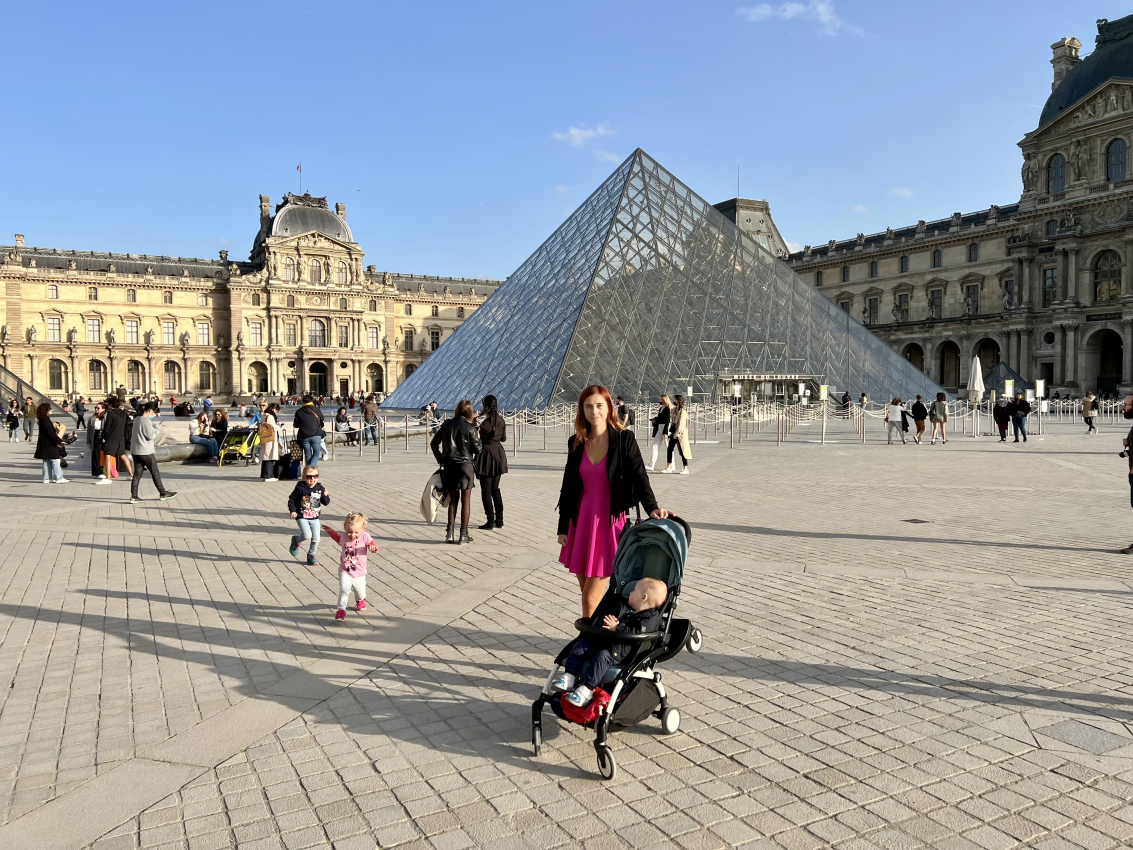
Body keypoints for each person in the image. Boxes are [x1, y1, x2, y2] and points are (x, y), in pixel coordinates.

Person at [557, 384, 669, 618]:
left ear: (609, 407)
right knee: (587, 594)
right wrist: (562, 527)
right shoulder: (576, 442)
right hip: (580, 522)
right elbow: (567, 487)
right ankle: (597, 637)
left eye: (599, 405)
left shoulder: (624, 440)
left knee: (590, 597)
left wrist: (652, 507)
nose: (594, 411)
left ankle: (587, 645)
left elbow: (640, 476)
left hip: (608, 524)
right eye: (588, 406)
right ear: (582, 410)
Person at [552, 577, 667, 708]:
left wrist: (616, 628)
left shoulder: (649, 618)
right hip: (603, 641)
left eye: (634, 591)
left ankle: (587, 690)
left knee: (602, 657)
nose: (630, 592)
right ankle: (569, 676)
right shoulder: (624, 607)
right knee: (581, 645)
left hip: (619, 652)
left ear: (643, 597)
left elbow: (636, 634)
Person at [430, 399, 482, 544]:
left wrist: (440, 459)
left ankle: (450, 534)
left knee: (453, 499)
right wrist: (476, 430)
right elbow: (478, 449)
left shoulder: (446, 425)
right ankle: (463, 534)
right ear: (469, 412)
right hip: (466, 466)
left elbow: (434, 443)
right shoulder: (470, 428)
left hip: (449, 466)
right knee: (466, 501)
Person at [322, 512, 379, 621]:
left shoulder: (365, 537)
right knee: (344, 590)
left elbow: (374, 544)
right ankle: (341, 610)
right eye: (349, 532)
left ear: (363, 528)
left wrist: (373, 547)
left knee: (360, 592)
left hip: (359, 572)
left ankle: (360, 601)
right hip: (345, 570)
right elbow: (337, 538)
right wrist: (330, 531)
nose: (352, 535)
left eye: (356, 532)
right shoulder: (343, 536)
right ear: (345, 528)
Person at [129, 403, 176, 503]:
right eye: (153, 411)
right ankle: (163, 493)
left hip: (136, 451)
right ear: (150, 410)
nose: (153, 414)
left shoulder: (137, 419)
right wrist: (157, 427)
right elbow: (151, 436)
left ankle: (134, 495)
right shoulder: (146, 420)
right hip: (145, 451)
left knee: (137, 474)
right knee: (155, 472)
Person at [474, 394, 507, 530]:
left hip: (486, 457)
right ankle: (500, 519)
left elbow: (477, 442)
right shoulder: (501, 420)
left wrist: (474, 422)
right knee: (495, 490)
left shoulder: (484, 424)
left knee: (486, 492)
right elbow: (503, 439)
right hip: (498, 455)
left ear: (485, 407)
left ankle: (490, 520)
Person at [288, 466, 329, 565]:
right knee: (307, 535)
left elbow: (326, 503)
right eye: (309, 477)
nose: (312, 479)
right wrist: (293, 510)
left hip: (314, 517)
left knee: (316, 538)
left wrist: (325, 495)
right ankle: (296, 541)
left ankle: (311, 555)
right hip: (302, 516)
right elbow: (292, 500)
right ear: (304, 477)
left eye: (315, 476)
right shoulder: (300, 488)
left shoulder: (320, 488)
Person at [34, 403, 68, 484]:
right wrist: (59, 441)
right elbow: (51, 433)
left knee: (47, 460)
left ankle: (46, 478)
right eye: (50, 409)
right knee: (55, 460)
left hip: (44, 443)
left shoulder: (42, 419)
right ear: (46, 410)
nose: (51, 410)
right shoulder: (45, 419)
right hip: (49, 443)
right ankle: (59, 478)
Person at [101, 398, 134, 478]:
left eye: (108, 404)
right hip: (121, 437)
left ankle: (108, 477)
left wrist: (104, 435)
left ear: (111, 405)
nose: (108, 406)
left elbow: (107, 427)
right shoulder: (124, 413)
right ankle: (131, 474)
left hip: (112, 438)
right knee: (123, 455)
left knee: (108, 456)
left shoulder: (111, 414)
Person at [662, 394, 691, 474]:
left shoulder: (683, 411)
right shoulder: (674, 410)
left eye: (674, 399)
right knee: (670, 449)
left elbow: (681, 424)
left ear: (678, 401)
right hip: (674, 432)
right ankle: (669, 466)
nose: (673, 401)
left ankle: (685, 468)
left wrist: (677, 434)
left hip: (680, 433)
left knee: (682, 450)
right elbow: (672, 418)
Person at [294, 395, 325, 467]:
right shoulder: (316, 409)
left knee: (308, 454)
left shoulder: (299, 411)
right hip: (316, 434)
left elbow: (296, 425)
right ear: (312, 401)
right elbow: (322, 419)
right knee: (316, 454)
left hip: (304, 435)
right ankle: (311, 469)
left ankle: (308, 471)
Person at [258, 403, 283, 481]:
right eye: (276, 410)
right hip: (270, 439)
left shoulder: (264, 415)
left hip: (264, 438)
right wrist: (279, 425)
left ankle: (264, 475)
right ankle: (269, 476)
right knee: (270, 456)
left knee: (265, 457)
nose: (276, 412)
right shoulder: (270, 416)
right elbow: (273, 428)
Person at [647, 396, 672, 471]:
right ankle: (652, 464)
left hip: (665, 427)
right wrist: (655, 419)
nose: (659, 400)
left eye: (660, 399)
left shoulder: (667, 408)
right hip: (659, 427)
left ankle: (671, 464)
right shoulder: (661, 408)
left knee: (668, 447)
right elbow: (660, 418)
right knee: (655, 445)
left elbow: (667, 420)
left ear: (664, 400)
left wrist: (665, 432)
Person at [88, 402, 107, 479]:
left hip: (104, 437)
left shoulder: (106, 417)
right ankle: (97, 472)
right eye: (96, 408)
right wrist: (88, 442)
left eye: (98, 408)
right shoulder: (92, 418)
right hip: (95, 437)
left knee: (104, 454)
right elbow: (89, 431)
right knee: (96, 455)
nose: (96, 409)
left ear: (103, 409)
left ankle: (104, 471)